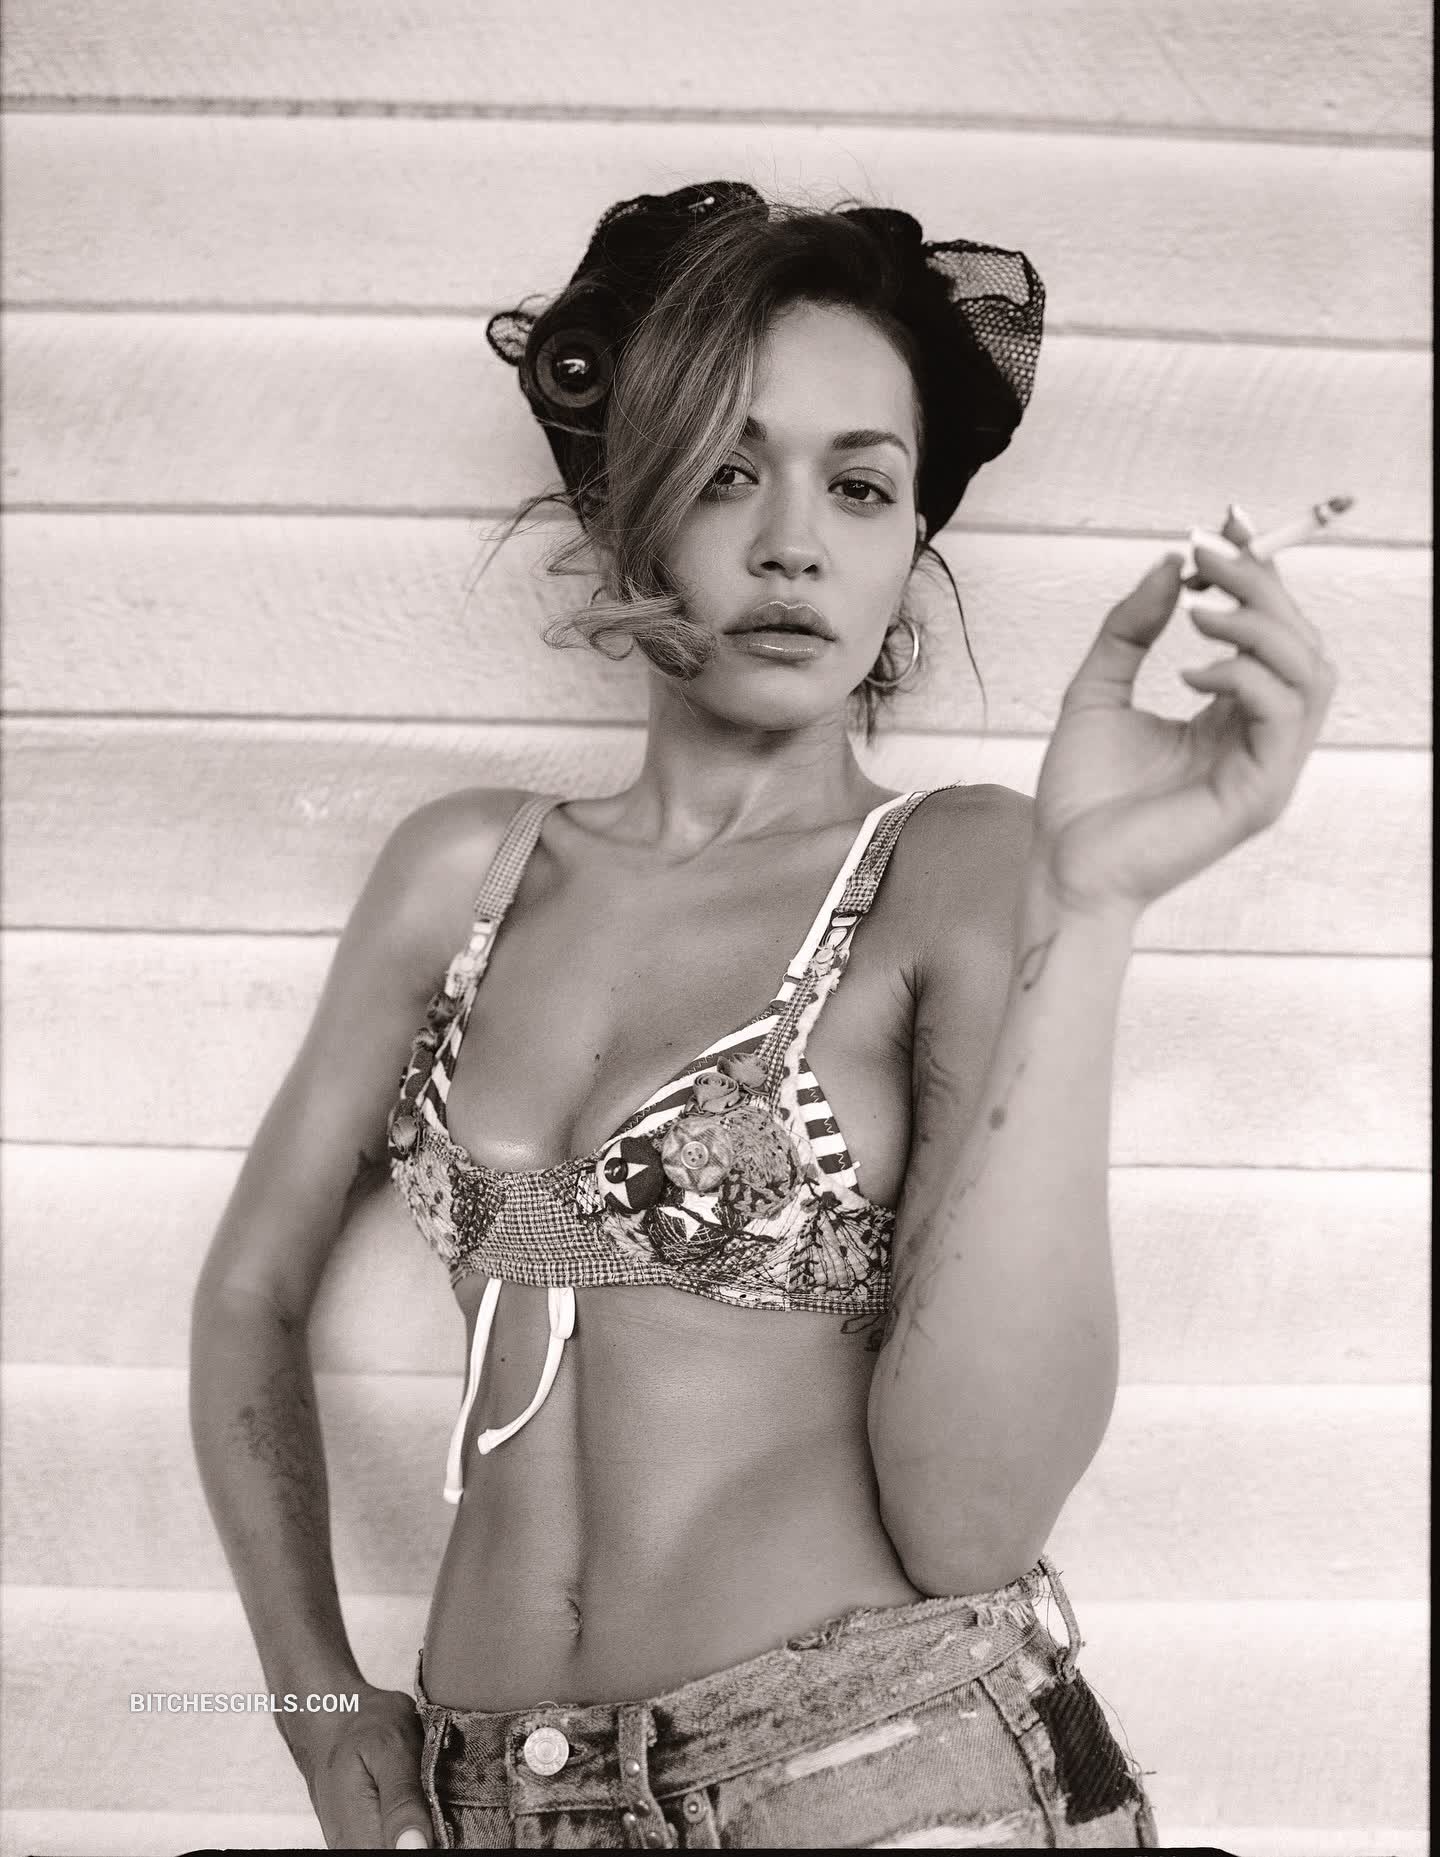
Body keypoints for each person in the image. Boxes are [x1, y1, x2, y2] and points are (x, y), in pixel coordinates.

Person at [190, 182, 1334, 1850]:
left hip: (874, 1769)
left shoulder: (957, 867)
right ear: (625, 505)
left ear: (910, 540)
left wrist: (1089, 919)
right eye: (729, 470)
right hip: (488, 1796)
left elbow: (971, 1519)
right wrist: (310, 1697)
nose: (794, 541)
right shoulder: (463, 874)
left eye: (859, 486)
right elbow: (249, 1289)